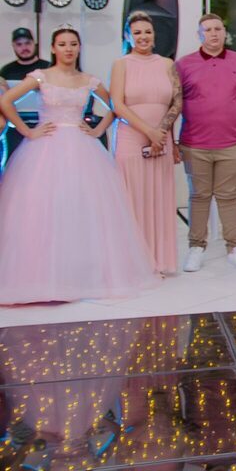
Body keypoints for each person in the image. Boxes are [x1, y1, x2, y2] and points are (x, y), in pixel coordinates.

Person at [0, 25, 158, 303]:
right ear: (53, 48)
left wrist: (98, 131)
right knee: (44, 209)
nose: (68, 49)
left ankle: (81, 273)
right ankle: (41, 275)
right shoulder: (41, 76)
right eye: (62, 44)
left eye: (73, 44)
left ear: (79, 48)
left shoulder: (89, 80)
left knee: (81, 209)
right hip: (45, 149)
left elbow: (116, 106)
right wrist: (27, 130)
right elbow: (6, 101)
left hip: (82, 149)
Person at [177, 13, 236, 273]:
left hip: (234, 145)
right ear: (199, 35)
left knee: (230, 197)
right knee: (199, 196)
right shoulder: (184, 65)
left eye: (218, 29)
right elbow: (173, 102)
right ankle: (196, 248)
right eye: (207, 30)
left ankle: (235, 249)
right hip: (195, 144)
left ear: (224, 32)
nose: (213, 33)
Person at [110, 11, 182, 275]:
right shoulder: (121, 64)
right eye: (137, 32)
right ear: (128, 36)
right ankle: (133, 263)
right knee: (133, 201)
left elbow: (176, 102)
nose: (143, 37)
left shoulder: (167, 64)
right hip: (131, 139)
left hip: (161, 142)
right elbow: (117, 105)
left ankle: (158, 262)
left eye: (147, 32)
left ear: (154, 35)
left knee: (158, 202)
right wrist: (149, 131)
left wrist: (162, 135)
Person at [0, 27, 51, 163]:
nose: (24, 48)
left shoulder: (48, 67)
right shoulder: (6, 71)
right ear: (13, 46)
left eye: (27, 43)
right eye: (19, 44)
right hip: (14, 123)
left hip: (44, 121)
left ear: (34, 44)